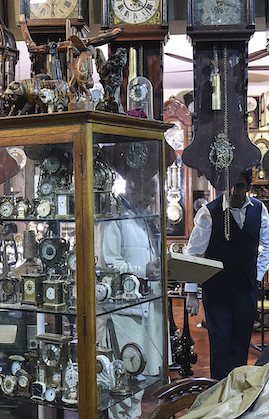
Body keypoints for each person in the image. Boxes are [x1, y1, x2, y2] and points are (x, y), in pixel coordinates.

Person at [184, 169, 269, 380]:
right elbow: (193, 253)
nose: (233, 191)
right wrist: (192, 292)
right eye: (230, 186)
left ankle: (237, 394)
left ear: (248, 188)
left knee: (241, 342)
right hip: (217, 289)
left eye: (240, 186)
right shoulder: (209, 212)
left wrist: (257, 275)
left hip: (245, 289)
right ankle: (219, 393)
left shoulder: (259, 209)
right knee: (220, 342)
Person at [95, 170, 164, 419]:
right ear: (133, 189)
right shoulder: (115, 220)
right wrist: (141, 270)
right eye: (149, 194)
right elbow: (108, 266)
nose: (151, 200)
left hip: (147, 310)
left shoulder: (144, 219)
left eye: (153, 195)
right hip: (125, 314)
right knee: (123, 380)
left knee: (139, 380)